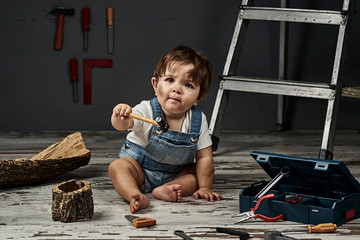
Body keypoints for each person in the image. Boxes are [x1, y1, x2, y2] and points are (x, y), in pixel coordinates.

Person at [108, 45, 223, 213]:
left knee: (200, 174)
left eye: (188, 85)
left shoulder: (198, 120)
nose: (176, 89)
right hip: (140, 170)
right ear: (155, 85)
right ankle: (134, 194)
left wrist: (205, 186)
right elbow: (123, 125)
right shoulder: (147, 110)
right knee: (117, 167)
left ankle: (168, 189)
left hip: (175, 175)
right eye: (170, 80)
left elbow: (204, 157)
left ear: (200, 96)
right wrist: (120, 117)